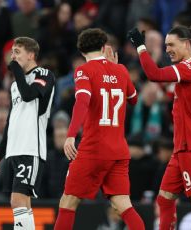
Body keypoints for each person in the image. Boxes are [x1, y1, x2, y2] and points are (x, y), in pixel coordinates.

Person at [127, 25, 191, 230]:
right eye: (166, 45)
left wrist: (141, 48)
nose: (167, 49)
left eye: (171, 44)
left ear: (186, 43)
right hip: (185, 146)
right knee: (165, 199)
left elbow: (154, 74)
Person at [54, 28, 145, 230]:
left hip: (94, 148)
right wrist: (116, 70)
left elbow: (82, 101)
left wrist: (70, 135)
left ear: (81, 52)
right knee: (123, 205)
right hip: (119, 150)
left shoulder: (84, 71)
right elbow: (134, 99)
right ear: (105, 47)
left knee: (68, 202)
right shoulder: (121, 70)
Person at [0, 37, 55, 230]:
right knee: (22, 204)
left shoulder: (44, 74)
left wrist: (16, 69)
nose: (13, 56)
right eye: (12, 52)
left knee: (17, 201)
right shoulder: (14, 85)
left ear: (31, 55)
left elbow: (28, 95)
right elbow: (11, 121)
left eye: (17, 52)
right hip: (13, 150)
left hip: (30, 148)